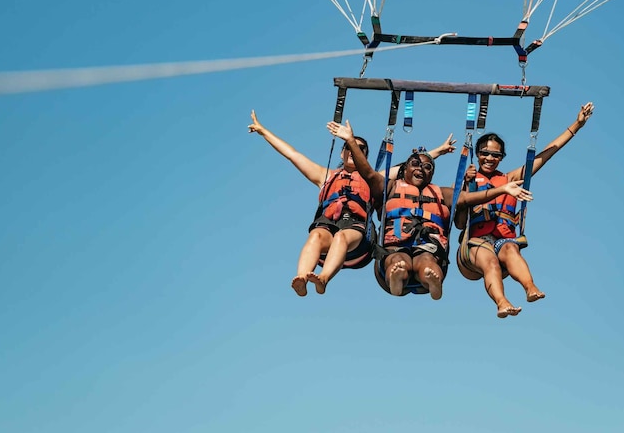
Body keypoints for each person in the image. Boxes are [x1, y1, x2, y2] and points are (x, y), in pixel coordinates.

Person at [248, 110, 457, 296]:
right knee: (315, 235)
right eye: (349, 147)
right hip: (328, 227)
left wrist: (436, 151)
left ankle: (324, 278)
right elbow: (293, 155)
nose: (353, 150)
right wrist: (263, 131)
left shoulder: (374, 178)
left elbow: (412, 167)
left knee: (341, 237)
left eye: (360, 149)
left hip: (357, 236)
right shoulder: (326, 176)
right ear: (342, 152)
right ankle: (302, 278)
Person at [329, 120, 531, 300]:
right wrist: (351, 142)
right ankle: (396, 278)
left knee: (427, 262)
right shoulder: (390, 187)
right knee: (398, 260)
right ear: (404, 170)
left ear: (432, 174)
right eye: (415, 164)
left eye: (427, 167)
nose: (420, 169)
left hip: (429, 246)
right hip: (394, 246)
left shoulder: (442, 193)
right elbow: (369, 174)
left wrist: (502, 189)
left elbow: (469, 198)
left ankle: (431, 280)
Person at [455, 102, 594, 318]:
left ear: (502, 157)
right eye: (485, 153)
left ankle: (530, 288)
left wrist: (576, 125)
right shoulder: (469, 182)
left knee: (511, 249)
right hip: (476, 243)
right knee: (490, 261)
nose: (490, 159)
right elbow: (459, 223)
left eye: (496, 155)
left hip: (503, 240)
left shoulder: (510, 179)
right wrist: (467, 186)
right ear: (478, 154)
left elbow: (543, 157)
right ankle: (502, 302)